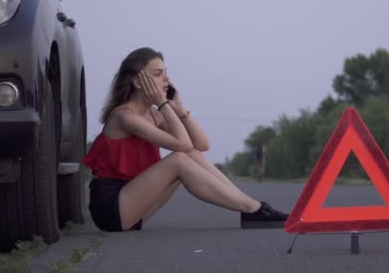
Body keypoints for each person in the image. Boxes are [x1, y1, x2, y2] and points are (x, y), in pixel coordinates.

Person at [82, 47, 288, 232]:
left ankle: (252, 207)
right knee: (178, 160)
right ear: (137, 81)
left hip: (135, 205)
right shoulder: (124, 117)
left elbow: (200, 145)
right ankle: (253, 209)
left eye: (166, 73)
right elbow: (182, 144)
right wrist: (163, 104)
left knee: (190, 155)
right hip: (112, 209)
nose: (167, 80)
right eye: (158, 74)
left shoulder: (153, 115)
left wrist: (180, 111)